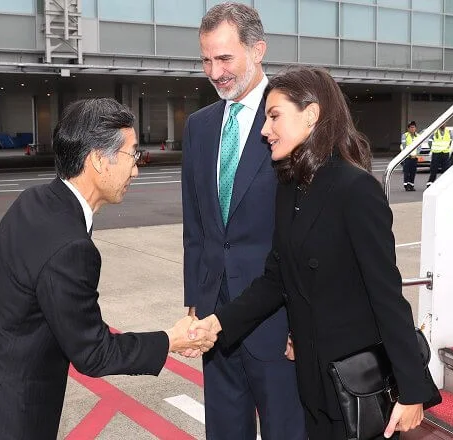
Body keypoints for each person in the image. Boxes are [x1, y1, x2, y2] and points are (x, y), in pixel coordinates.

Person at [0, 98, 217, 440]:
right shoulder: (71, 246)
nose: (136, 169)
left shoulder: (35, 200)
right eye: (132, 155)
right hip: (7, 418)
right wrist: (170, 340)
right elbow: (94, 353)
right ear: (99, 160)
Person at [189, 66, 436, 439]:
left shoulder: (356, 190)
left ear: (311, 115)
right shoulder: (291, 186)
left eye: (274, 117)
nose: (264, 130)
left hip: (355, 382)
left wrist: (411, 389)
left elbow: (387, 296)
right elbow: (275, 279)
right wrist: (218, 324)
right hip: (311, 380)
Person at [181, 3, 306, 439]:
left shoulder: (290, 121)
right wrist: (197, 299)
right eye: (206, 60)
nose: (214, 72)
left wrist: (303, 321)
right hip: (215, 319)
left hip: (276, 318)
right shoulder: (199, 126)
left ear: (258, 50)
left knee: (286, 430)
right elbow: (194, 226)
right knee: (225, 430)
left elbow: (308, 235)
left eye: (225, 58)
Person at [400, 121, 419, 191]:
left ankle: (411, 185)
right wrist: (409, 155)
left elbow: (419, 147)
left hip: (415, 157)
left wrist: (417, 154)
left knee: (413, 172)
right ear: (408, 128)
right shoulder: (405, 136)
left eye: (414, 127)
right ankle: (406, 186)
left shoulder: (418, 136)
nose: (412, 129)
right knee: (406, 172)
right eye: (411, 127)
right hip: (407, 157)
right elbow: (404, 146)